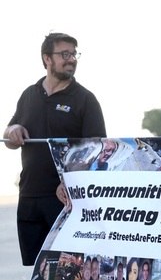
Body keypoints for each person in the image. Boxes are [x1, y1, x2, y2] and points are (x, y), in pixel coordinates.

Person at [3, 32, 107, 266]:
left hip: (66, 200)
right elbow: (9, 137)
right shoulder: (29, 94)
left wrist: (72, 182)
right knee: (38, 268)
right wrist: (13, 129)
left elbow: (98, 151)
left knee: (67, 268)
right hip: (30, 196)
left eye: (74, 54)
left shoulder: (85, 100)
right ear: (47, 59)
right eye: (65, 54)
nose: (71, 59)